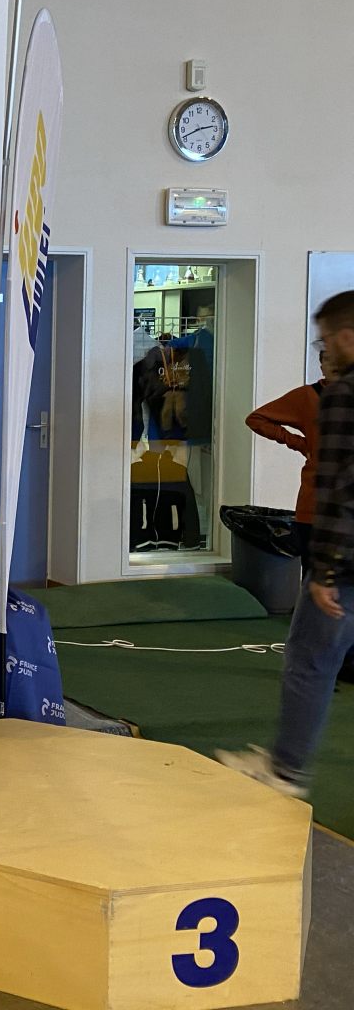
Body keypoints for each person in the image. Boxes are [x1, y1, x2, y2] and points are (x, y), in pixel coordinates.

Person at [218, 290, 354, 797]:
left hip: (339, 549)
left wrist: (327, 570)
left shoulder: (340, 396)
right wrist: (298, 443)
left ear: (344, 336)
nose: (325, 351)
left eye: (326, 341)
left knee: (307, 659)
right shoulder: (316, 395)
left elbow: (340, 490)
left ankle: (285, 771)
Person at [246, 348, 342, 569]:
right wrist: (299, 443)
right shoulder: (307, 397)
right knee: (313, 577)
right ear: (321, 365)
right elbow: (257, 419)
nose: (334, 364)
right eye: (328, 359)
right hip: (315, 501)